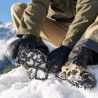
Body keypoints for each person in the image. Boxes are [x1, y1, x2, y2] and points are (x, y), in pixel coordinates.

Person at [6, 0, 98, 89]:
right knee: (18, 9)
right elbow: (38, 3)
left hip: (90, 32)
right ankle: (38, 59)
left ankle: (78, 59)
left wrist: (66, 47)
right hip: (64, 31)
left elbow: (86, 12)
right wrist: (29, 35)